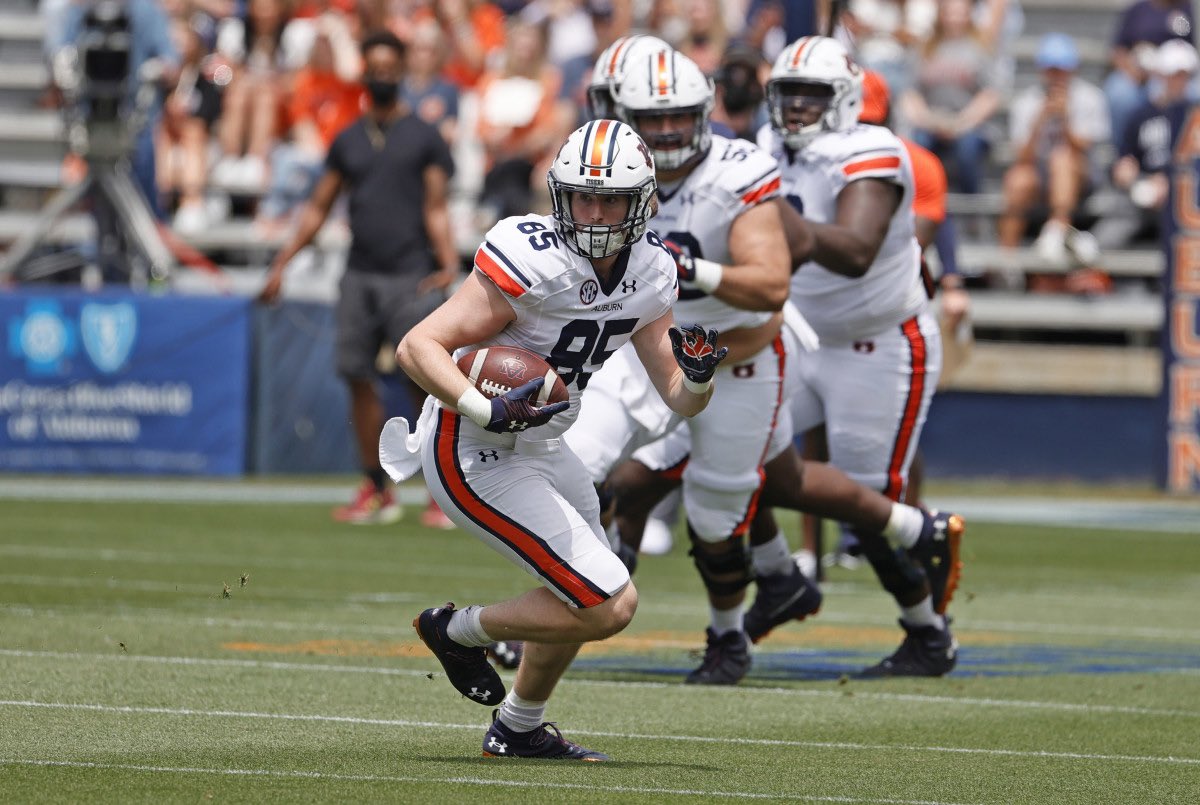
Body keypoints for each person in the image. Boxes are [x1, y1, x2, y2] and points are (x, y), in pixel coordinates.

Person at [384, 120, 726, 760]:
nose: (594, 214)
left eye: (611, 200)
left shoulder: (651, 270)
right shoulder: (532, 254)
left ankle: (517, 727)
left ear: (643, 201)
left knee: (581, 591)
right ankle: (455, 631)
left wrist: (702, 379)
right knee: (609, 602)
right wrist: (481, 407)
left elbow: (676, 394)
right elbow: (417, 346)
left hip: (542, 446)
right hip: (471, 446)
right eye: (582, 197)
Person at [760, 35, 962, 676]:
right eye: (787, 94)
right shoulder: (764, 147)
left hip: (876, 345)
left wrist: (774, 223)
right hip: (798, 333)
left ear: (844, 100)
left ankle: (928, 632)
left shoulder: (873, 149)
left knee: (867, 506)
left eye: (811, 95)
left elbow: (853, 251)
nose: (795, 108)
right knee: (736, 459)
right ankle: (768, 589)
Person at [259, 30, 460, 527]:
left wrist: (449, 262)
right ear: (364, 73)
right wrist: (282, 263)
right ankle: (377, 486)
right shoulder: (347, 139)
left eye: (392, 69)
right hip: (360, 273)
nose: (383, 76)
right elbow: (318, 208)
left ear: (401, 72)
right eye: (376, 69)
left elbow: (436, 207)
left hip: (412, 273)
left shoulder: (423, 136)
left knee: (426, 381)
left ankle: (442, 491)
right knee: (356, 377)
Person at [998, 33, 1110, 273]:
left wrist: (1066, 119)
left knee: (1062, 157)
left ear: (1073, 70)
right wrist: (1040, 121)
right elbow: (1022, 157)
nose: (1057, 77)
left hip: (1081, 174)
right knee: (1017, 181)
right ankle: (1006, 264)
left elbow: (1085, 148)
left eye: (1062, 70)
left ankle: (1057, 228)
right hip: (1040, 176)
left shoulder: (1090, 98)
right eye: (1052, 70)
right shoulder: (1027, 102)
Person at [1102, 39, 1198, 249]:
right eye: (1174, 75)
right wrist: (1126, 171)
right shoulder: (1141, 115)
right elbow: (1125, 159)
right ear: (1161, 75)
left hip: (1188, 194)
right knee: (1121, 216)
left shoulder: (1195, 115)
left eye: (1184, 75)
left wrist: (1171, 181)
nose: (1179, 81)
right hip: (1144, 191)